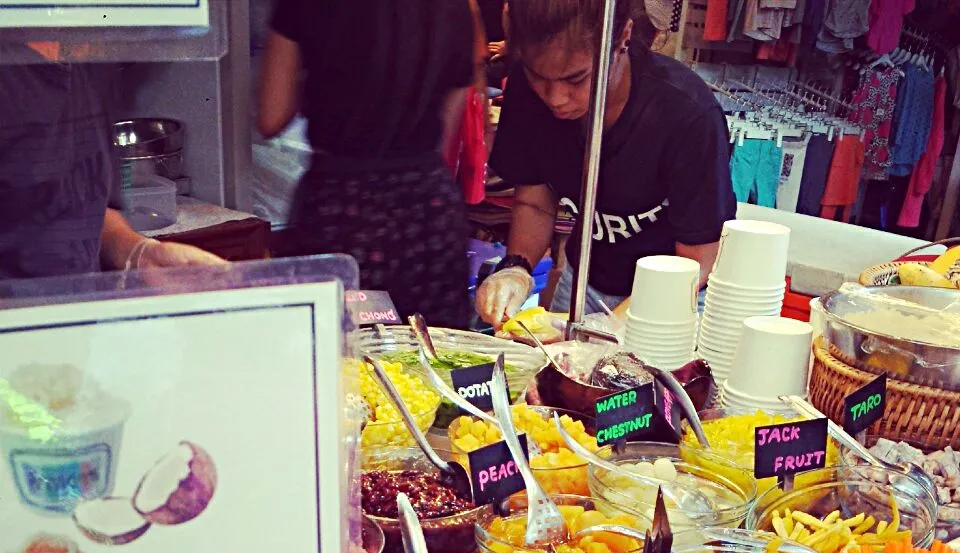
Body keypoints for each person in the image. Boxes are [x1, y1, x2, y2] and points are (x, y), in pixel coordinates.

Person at [476, 0, 736, 327]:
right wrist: (516, 268)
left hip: (677, 292)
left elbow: (698, 260)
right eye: (537, 76)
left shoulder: (686, 115)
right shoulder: (527, 95)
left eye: (576, 79)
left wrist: (612, 327)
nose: (554, 97)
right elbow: (535, 201)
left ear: (623, 37)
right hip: (586, 278)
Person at [258, 0, 480, 329]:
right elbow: (446, 133)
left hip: (343, 206)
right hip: (429, 209)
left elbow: (271, 115)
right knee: (438, 358)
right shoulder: (460, 7)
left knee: (340, 362)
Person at [0, 54, 224, 282]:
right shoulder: (10, 73)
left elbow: (82, 210)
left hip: (78, 310)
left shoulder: (89, 63)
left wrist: (140, 255)